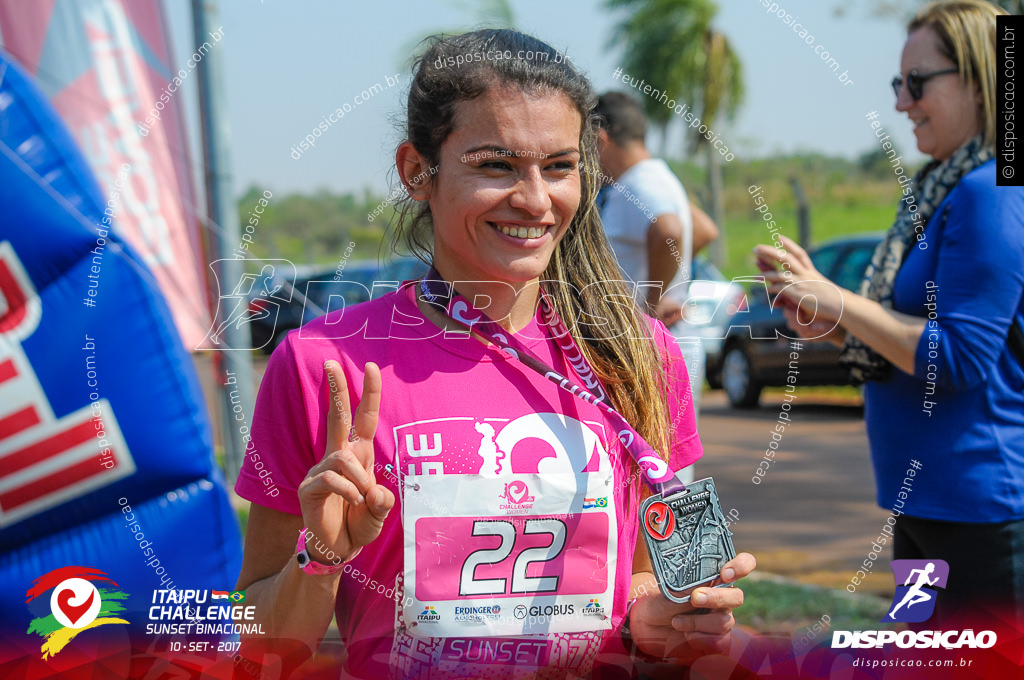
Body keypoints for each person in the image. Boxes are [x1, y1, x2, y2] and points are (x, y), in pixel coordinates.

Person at [234, 29, 755, 680]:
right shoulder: (321, 365)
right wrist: (321, 559)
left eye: (559, 166)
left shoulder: (645, 354)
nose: (536, 200)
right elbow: (259, 646)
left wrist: (665, 624)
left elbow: (689, 588)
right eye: (495, 165)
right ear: (416, 170)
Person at [756, 0, 1024, 625]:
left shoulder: (990, 194)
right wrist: (829, 314)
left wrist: (842, 300)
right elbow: (912, 337)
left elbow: (956, 359)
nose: (902, 102)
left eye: (918, 83)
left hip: (982, 513)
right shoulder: (943, 188)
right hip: (927, 505)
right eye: (896, 84)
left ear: (982, 81)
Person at [594, 92, 719, 439]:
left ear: (599, 138)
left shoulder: (639, 183)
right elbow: (704, 230)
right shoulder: (658, 178)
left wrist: (650, 305)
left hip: (648, 348)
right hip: (662, 343)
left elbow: (669, 231)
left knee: (653, 466)